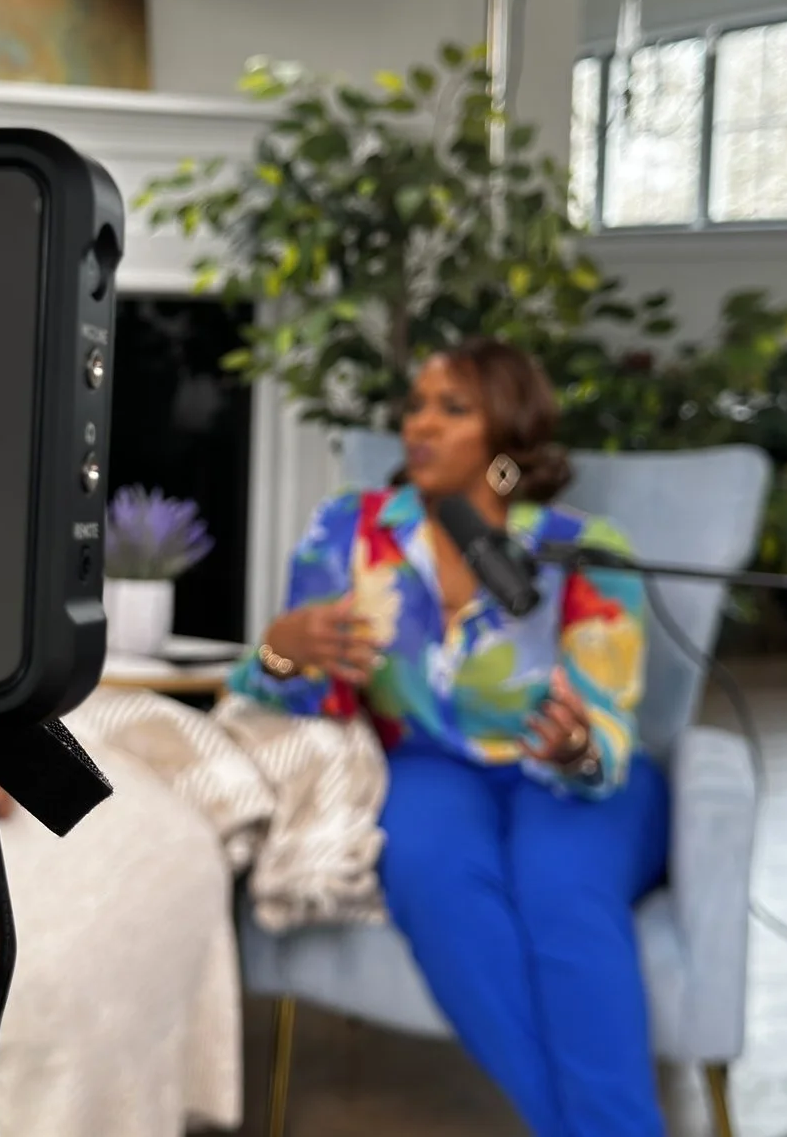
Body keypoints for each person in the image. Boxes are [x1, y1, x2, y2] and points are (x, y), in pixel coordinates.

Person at [232, 337, 668, 1137]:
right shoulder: (352, 531)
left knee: (561, 893)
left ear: (506, 434)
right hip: (427, 766)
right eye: (416, 406)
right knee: (437, 879)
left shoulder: (582, 549)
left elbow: (606, 721)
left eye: (453, 409)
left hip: (576, 783)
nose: (420, 426)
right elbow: (285, 696)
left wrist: (575, 746)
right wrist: (278, 648)